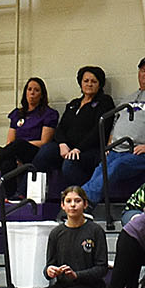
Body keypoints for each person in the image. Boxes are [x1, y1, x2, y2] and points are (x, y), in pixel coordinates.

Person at [84, 56, 145, 203]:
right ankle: (80, 199)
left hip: (143, 154)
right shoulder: (127, 99)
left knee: (118, 166)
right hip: (116, 150)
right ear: (138, 74)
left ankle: (84, 202)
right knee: (100, 168)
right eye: (143, 70)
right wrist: (109, 144)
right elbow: (115, 122)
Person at [0, 78, 59, 204]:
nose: (32, 93)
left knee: (18, 144)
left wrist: (19, 147)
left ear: (42, 95)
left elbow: (44, 142)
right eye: (29, 89)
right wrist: (15, 151)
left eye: (36, 90)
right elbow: (10, 141)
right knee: (6, 160)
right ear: (25, 92)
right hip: (17, 150)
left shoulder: (49, 114)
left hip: (36, 152)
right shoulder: (17, 114)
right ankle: (11, 196)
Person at [40, 187, 110, 288]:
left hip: (92, 287)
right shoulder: (56, 233)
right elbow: (49, 265)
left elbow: (102, 268)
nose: (73, 205)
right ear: (62, 206)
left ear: (85, 205)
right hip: (65, 284)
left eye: (77, 201)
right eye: (68, 201)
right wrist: (50, 271)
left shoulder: (95, 230)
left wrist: (77, 275)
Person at [31, 66, 115, 195]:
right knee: (45, 151)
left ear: (100, 84)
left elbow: (100, 130)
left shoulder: (105, 102)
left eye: (94, 81)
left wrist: (78, 148)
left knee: (70, 163)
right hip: (67, 147)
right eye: (86, 81)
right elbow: (60, 128)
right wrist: (62, 144)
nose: (89, 84)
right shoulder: (73, 104)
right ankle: (30, 194)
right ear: (80, 83)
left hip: (90, 150)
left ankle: (81, 198)